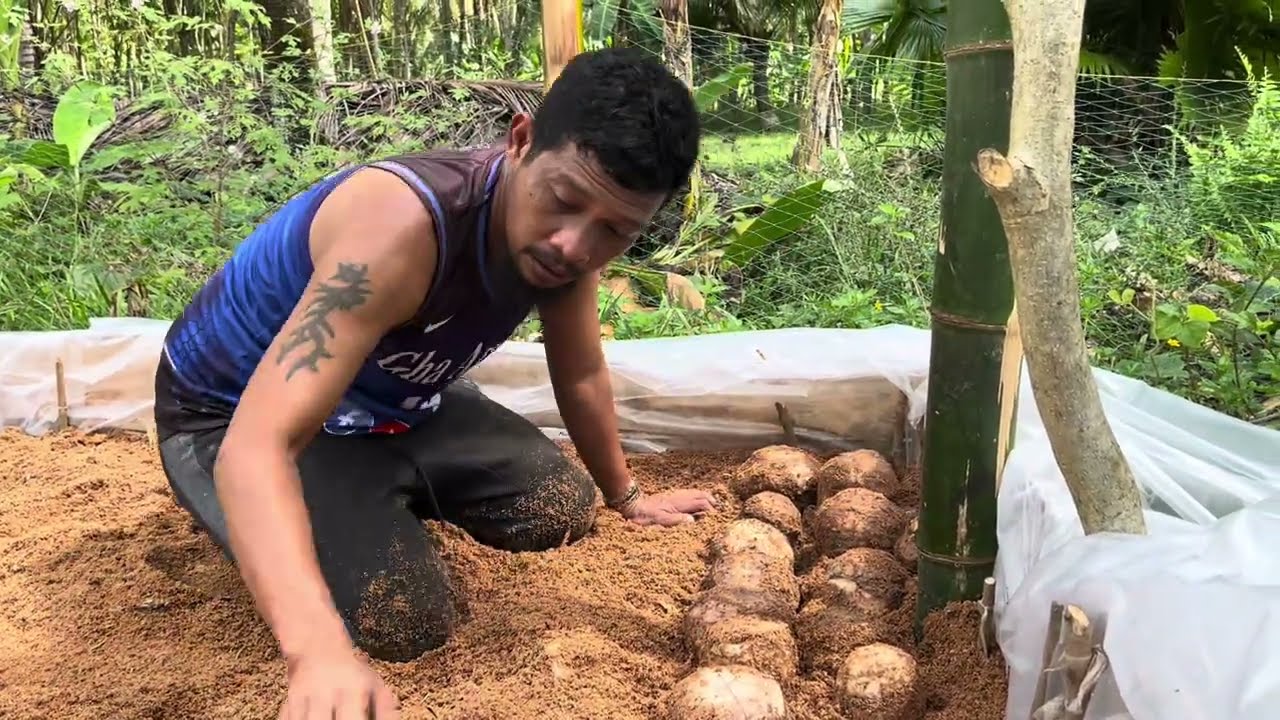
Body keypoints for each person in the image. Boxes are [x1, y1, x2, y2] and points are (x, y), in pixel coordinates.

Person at [151, 46, 714, 719]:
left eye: (615, 231)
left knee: (561, 506)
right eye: (563, 201)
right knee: (402, 620)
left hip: (395, 392)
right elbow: (257, 444)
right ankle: (312, 516)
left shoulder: (567, 245)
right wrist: (317, 653)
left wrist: (627, 496)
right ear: (521, 139)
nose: (575, 246)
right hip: (232, 411)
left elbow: (583, 371)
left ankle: (369, 492)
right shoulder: (402, 229)